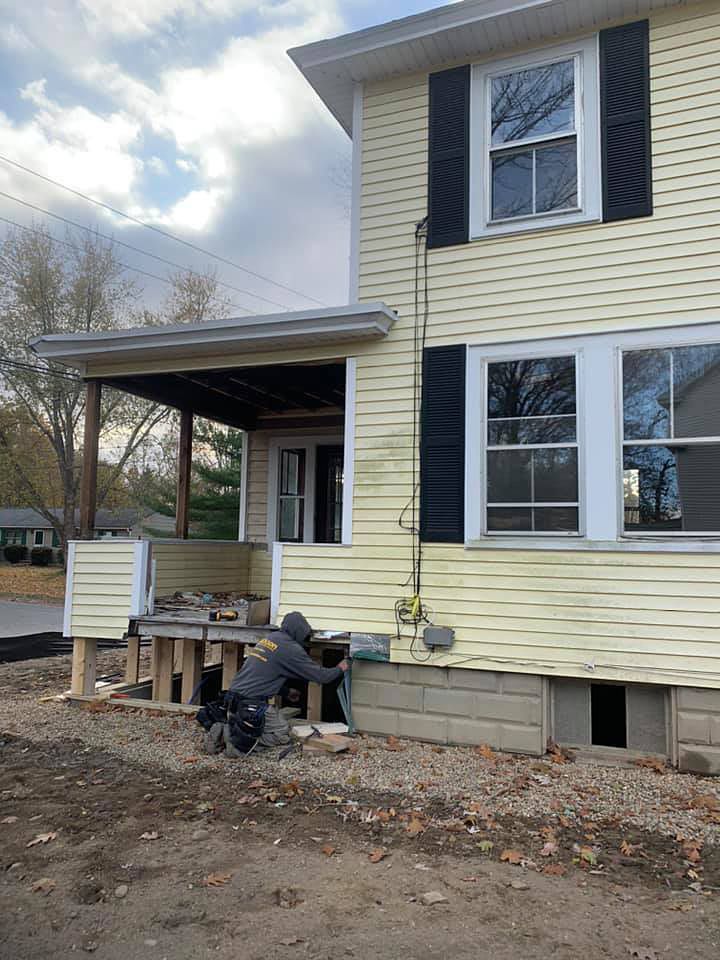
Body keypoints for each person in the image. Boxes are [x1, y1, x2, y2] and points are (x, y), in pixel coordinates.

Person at [207, 611, 349, 756]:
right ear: (299, 632)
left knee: (260, 726)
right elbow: (321, 676)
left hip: (232, 701)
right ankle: (235, 741)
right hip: (252, 705)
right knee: (282, 734)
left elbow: (263, 675)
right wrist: (340, 668)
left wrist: (286, 692)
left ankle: (228, 730)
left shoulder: (270, 638)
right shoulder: (291, 649)